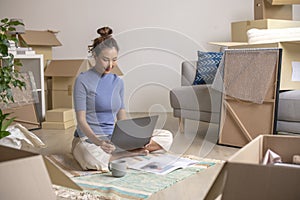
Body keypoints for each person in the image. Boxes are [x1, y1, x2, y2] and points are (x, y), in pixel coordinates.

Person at [72, 27, 173, 171]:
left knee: (166, 136)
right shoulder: (82, 80)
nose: (110, 65)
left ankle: (125, 151)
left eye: (114, 60)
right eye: (105, 59)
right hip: (89, 139)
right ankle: (127, 154)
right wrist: (99, 142)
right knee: (90, 158)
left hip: (113, 137)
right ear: (95, 56)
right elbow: (81, 120)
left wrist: (130, 138)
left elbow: (121, 115)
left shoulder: (118, 82)